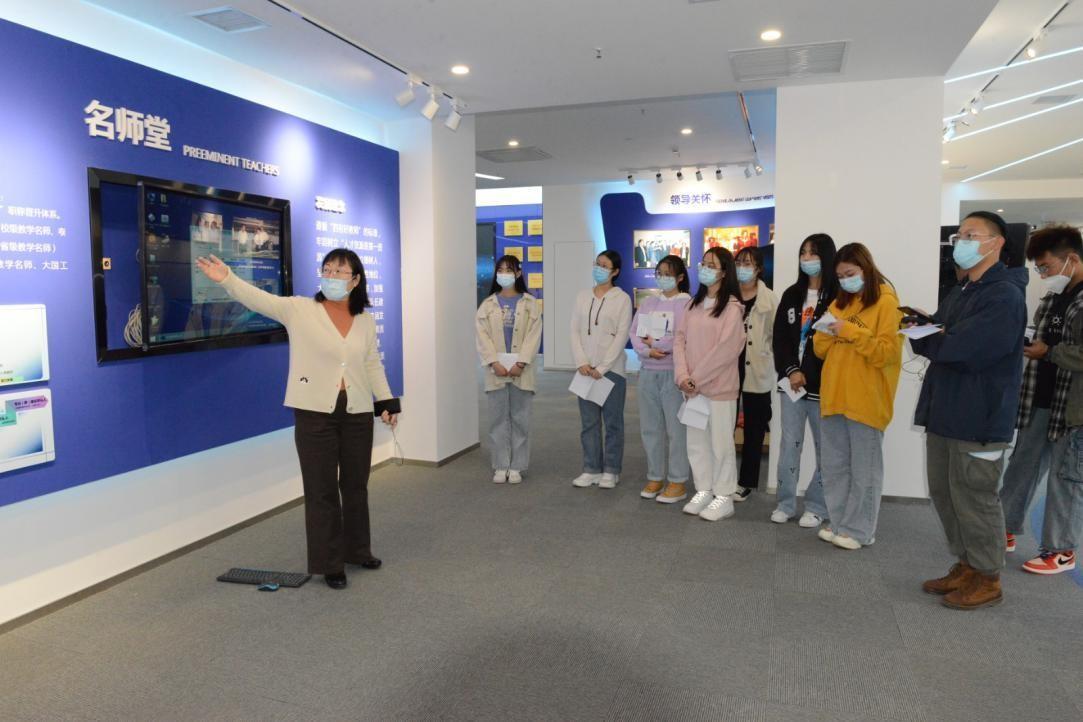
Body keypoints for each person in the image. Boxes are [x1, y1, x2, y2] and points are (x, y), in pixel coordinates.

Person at [195, 249, 398, 590]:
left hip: (357, 411)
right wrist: (227, 279)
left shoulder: (364, 320)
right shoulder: (300, 309)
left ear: (355, 280)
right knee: (321, 489)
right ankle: (330, 563)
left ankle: (358, 550)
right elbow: (258, 299)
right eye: (327, 269)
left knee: (355, 485)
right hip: (314, 412)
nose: (331, 276)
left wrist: (387, 401)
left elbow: (372, 363)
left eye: (339, 271)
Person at [910, 211, 1027, 610]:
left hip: (980, 416)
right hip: (946, 409)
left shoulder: (1004, 295)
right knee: (945, 493)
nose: (960, 242)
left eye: (970, 235)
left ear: (996, 243)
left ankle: (988, 576)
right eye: (959, 236)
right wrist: (924, 328)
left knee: (975, 497)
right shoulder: (963, 290)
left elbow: (964, 349)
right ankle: (967, 564)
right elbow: (941, 334)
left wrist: (934, 338)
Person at [1000, 225, 1083, 576]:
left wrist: (1048, 352)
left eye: (1046, 266)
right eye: (1039, 268)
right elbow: (1044, 335)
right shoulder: (1055, 295)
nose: (1044, 274)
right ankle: (1003, 527)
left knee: (1066, 479)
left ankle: (1060, 550)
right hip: (1041, 396)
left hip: (1074, 407)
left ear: (1071, 259)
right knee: (1022, 465)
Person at [813, 243, 903, 550]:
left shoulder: (886, 302)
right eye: (840, 276)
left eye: (850, 274)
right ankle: (840, 522)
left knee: (865, 470)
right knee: (835, 467)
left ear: (866, 268)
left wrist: (849, 331)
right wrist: (828, 331)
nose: (845, 281)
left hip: (867, 399)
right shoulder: (840, 303)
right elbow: (820, 349)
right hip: (834, 396)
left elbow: (887, 353)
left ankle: (860, 529)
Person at [674, 247, 747, 521]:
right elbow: (679, 341)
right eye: (703, 263)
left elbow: (726, 350)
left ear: (725, 272)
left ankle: (724, 496)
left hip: (719, 389)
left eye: (711, 265)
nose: (704, 269)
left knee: (721, 445)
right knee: (696, 443)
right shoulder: (692, 305)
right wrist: (683, 377)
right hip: (693, 390)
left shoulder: (732, 308)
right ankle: (704, 489)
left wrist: (696, 379)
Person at [771, 233, 837, 527]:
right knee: (789, 445)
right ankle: (785, 503)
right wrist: (791, 370)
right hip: (791, 385)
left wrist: (808, 372)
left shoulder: (838, 298)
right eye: (804, 253)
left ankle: (817, 505)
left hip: (823, 387)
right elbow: (780, 339)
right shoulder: (791, 294)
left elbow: (836, 343)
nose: (807, 259)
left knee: (826, 449)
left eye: (814, 253)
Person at [476, 254, 543, 484]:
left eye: (509, 270)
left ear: (518, 273)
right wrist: (494, 362)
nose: (504, 274)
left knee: (520, 419)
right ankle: (501, 464)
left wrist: (521, 363)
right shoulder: (487, 304)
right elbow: (482, 337)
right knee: (497, 420)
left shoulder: (530, 303)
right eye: (500, 270)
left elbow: (534, 336)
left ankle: (517, 466)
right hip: (496, 370)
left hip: (521, 370)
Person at [630, 255, 692, 504]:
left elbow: (683, 337)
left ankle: (677, 480)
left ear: (680, 277)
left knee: (676, 430)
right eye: (659, 273)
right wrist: (647, 351)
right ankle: (655, 475)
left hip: (673, 373)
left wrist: (657, 345)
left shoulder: (687, 304)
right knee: (650, 427)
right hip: (647, 372)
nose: (662, 278)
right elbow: (635, 332)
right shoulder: (649, 302)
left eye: (668, 273)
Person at [570, 250, 633, 488]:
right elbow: (574, 331)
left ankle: (611, 470)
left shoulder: (622, 299)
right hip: (585, 371)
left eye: (604, 265)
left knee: (613, 423)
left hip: (612, 371)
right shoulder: (582, 296)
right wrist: (581, 362)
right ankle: (591, 469)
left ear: (615, 271)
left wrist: (604, 367)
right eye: (597, 264)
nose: (599, 268)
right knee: (589, 423)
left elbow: (622, 335)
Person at [733, 246, 778, 501]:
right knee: (724, 424)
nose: (742, 267)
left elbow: (775, 336)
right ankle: (724, 477)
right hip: (727, 367)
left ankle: (747, 481)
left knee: (755, 427)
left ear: (759, 268)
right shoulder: (728, 295)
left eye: (748, 263)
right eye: (739, 262)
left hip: (757, 368)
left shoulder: (769, 298)